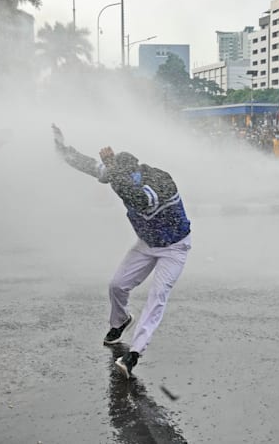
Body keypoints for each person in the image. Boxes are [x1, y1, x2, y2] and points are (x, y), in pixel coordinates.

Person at [51, 124, 192, 379]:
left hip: (174, 248)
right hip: (147, 244)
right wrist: (63, 149)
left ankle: (134, 354)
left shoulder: (159, 181)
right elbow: (90, 165)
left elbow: (141, 199)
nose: (116, 184)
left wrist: (114, 171)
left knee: (157, 296)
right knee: (117, 285)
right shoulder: (121, 175)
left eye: (119, 177)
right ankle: (120, 322)